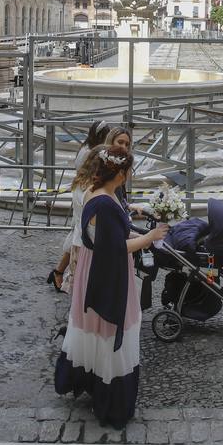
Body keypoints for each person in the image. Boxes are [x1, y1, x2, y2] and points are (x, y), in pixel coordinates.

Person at [54, 147, 169, 428]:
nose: (130, 175)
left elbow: (110, 235)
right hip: (108, 273)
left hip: (92, 269)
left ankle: (89, 380)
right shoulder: (105, 203)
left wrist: (137, 231)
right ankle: (109, 396)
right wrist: (150, 237)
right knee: (110, 328)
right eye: (129, 171)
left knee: (93, 328)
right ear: (119, 173)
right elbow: (116, 247)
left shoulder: (97, 193)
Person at [48, 121, 113, 293]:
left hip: (83, 190)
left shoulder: (86, 148)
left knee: (78, 234)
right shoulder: (90, 152)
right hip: (84, 193)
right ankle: (67, 275)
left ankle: (60, 272)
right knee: (80, 236)